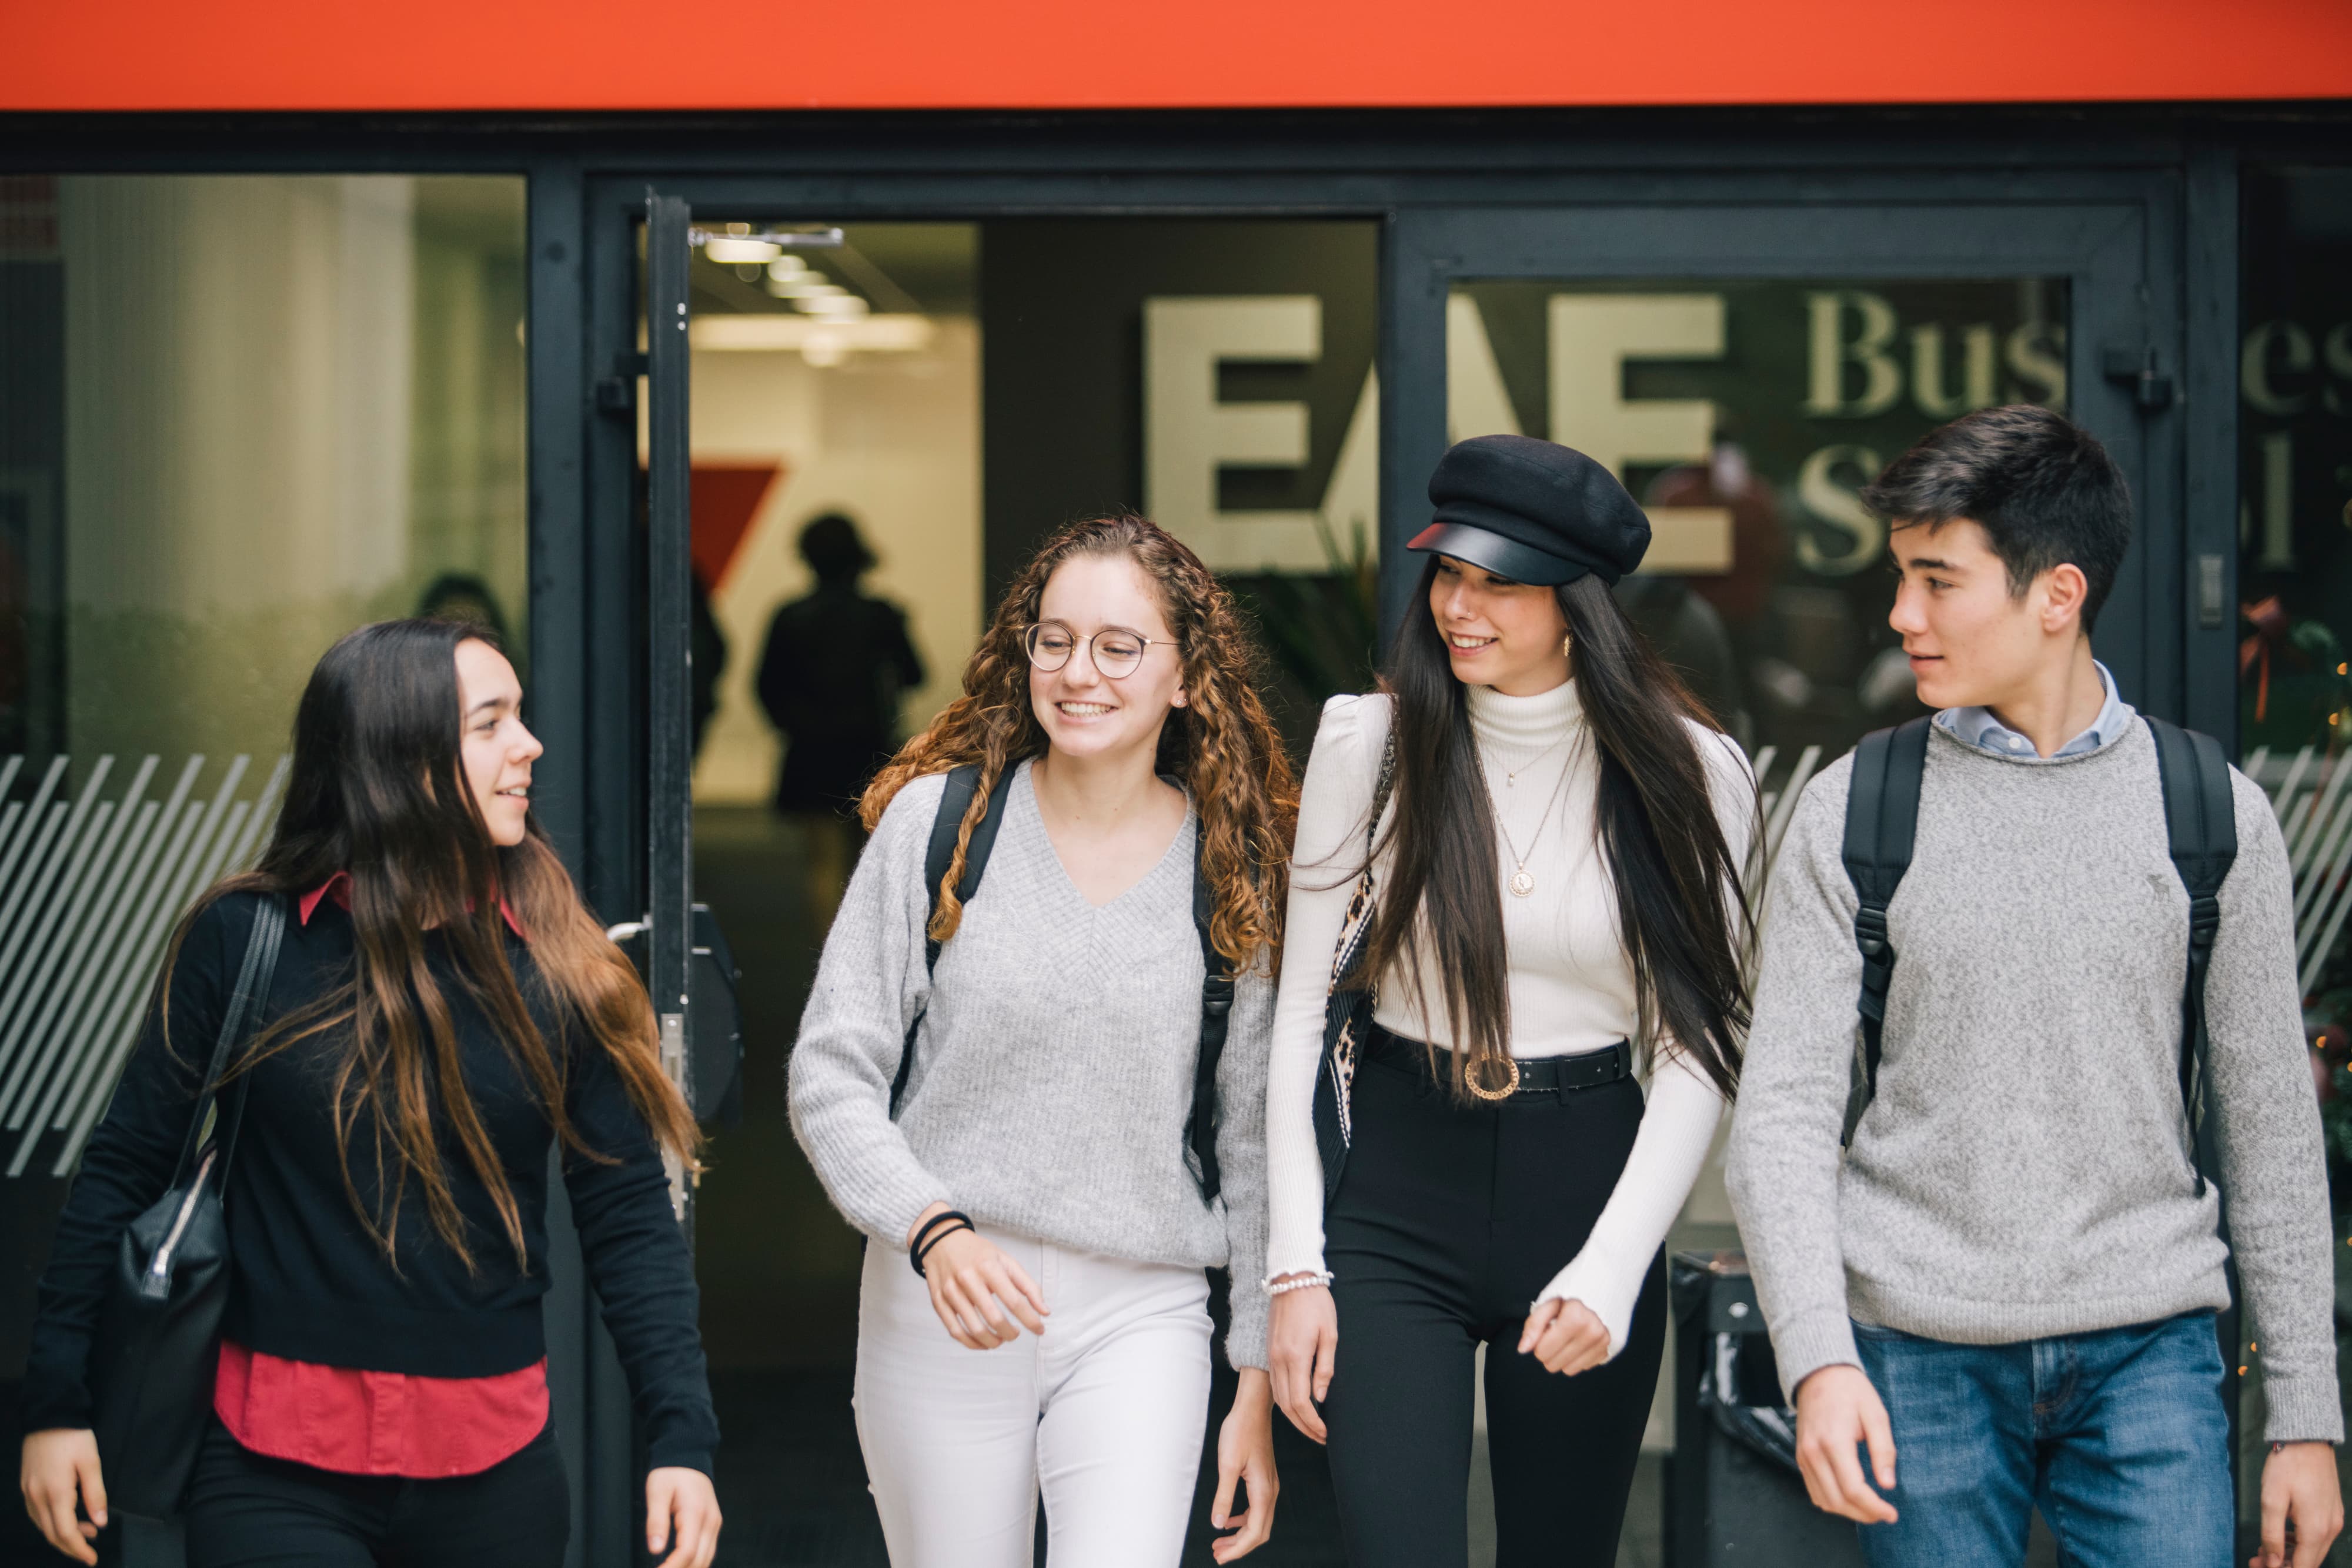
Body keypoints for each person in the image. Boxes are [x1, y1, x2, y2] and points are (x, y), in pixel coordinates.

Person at [1725, 405, 2344, 1568]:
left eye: (1936, 580)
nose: (1901, 614)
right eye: (1901, 577)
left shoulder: (2210, 815)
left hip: (2147, 1347)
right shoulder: (1856, 810)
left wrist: (2302, 1417)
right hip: (1916, 1347)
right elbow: (1784, 1111)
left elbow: (2267, 1128)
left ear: (2055, 594)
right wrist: (1818, 1357)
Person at [19, 619, 721, 1568]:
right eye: (492, 722)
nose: (530, 745)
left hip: (495, 1471)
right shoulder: (244, 941)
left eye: (521, 715)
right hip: (273, 1468)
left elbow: (628, 1211)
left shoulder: (560, 962)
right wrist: (56, 1404)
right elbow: (122, 1169)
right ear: (405, 759)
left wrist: (682, 1437)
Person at [1264, 434, 1759, 1567]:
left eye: (1501, 582)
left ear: (1579, 601)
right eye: (1449, 573)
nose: (1460, 606)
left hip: (1584, 1182)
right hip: (1395, 1184)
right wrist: (1296, 1267)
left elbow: (1694, 1048)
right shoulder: (1371, 743)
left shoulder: (1690, 773)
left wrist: (1615, 1262)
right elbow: (1300, 1015)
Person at [787, 515, 1294, 1567]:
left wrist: (1252, 1381)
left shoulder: (1230, 873)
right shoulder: (938, 828)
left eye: (1120, 646)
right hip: (945, 1296)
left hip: (1143, 1311)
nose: (1078, 673)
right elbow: (832, 1073)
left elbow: (1252, 1143)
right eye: (1054, 640)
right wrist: (931, 1226)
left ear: (1188, 676)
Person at [757, 512, 924, 924]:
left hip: (811, 750)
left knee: (824, 861)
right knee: (869, 859)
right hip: (868, 747)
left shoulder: (789, 616)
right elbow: (915, 674)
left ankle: (831, 954)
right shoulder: (881, 615)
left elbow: (765, 686)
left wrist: (794, 724)